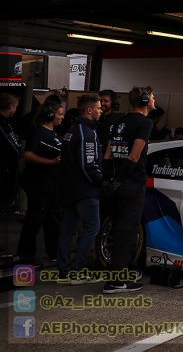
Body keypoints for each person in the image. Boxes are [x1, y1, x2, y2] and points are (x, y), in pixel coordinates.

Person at [103, 86, 155, 293]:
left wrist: (108, 181)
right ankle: (116, 281)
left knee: (118, 229)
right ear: (144, 100)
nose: (153, 100)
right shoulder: (145, 122)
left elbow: (108, 153)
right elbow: (134, 156)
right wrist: (119, 181)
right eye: (151, 97)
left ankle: (127, 270)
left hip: (116, 183)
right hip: (131, 183)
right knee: (128, 232)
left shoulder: (118, 121)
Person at [57, 94, 104, 282]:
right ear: (89, 110)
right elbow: (88, 165)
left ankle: (64, 271)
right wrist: (102, 182)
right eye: (99, 108)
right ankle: (79, 271)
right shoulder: (86, 132)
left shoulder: (71, 130)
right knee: (92, 228)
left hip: (69, 189)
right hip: (84, 191)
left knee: (67, 230)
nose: (101, 111)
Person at [16, 102, 64, 264]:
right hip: (40, 183)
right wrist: (50, 162)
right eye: (59, 114)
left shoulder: (54, 134)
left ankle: (53, 252)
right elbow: (28, 155)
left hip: (53, 183)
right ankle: (26, 254)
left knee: (53, 218)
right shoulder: (39, 133)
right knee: (35, 218)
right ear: (50, 115)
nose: (62, 117)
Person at [1, 93, 20, 212]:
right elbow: (13, 145)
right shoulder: (3, 124)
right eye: (16, 107)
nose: (15, 110)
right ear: (10, 106)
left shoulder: (5, 123)